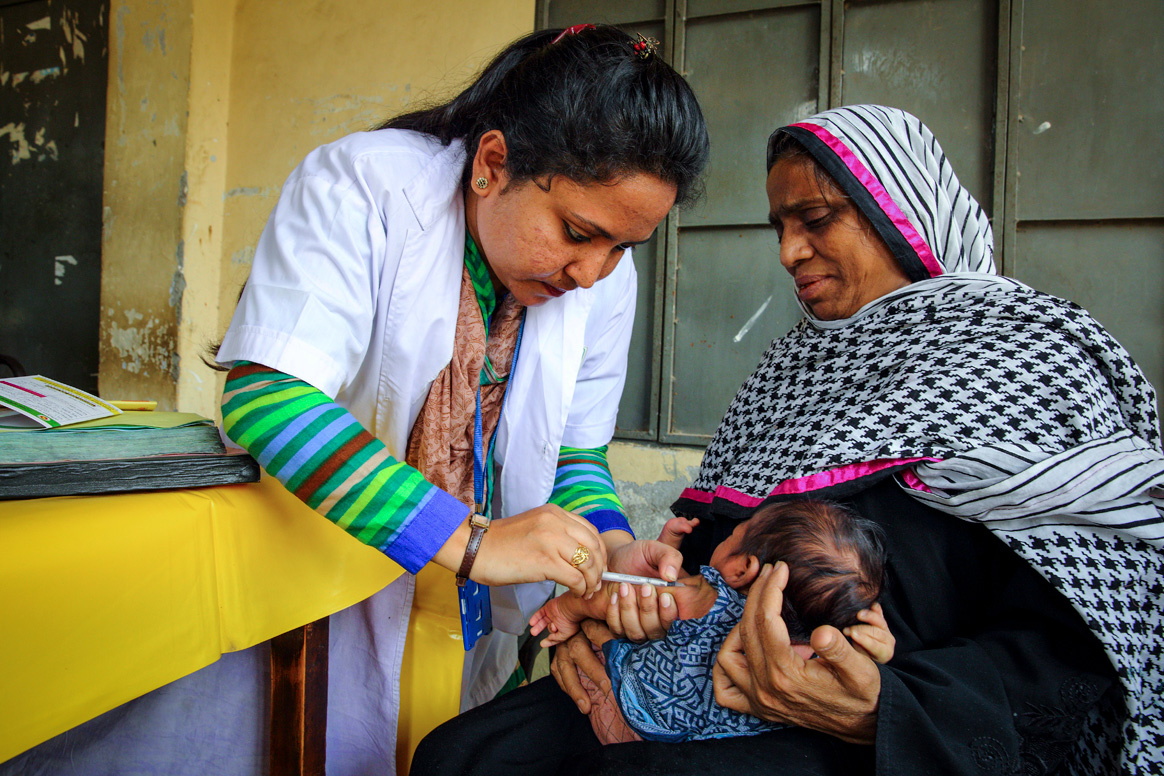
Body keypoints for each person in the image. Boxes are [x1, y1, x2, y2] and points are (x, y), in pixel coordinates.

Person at [0, 26, 704, 776]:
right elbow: (269, 397)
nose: (593, 272)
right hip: (315, 577)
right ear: (493, 165)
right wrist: (472, 540)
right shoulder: (367, 187)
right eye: (577, 232)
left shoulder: (602, 285)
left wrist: (612, 548)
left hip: (467, 618)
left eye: (623, 247)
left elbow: (574, 455)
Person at [410, 105, 1164, 776]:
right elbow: (706, 551)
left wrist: (882, 709)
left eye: (816, 219)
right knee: (458, 755)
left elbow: (1078, 639)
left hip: (885, 730)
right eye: (780, 226)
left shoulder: (1032, 358)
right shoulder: (793, 369)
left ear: (901, 212)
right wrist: (618, 608)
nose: (788, 253)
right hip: (690, 666)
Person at [529, 500, 894, 744]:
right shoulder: (806, 654)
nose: (730, 533)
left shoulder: (709, 594)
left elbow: (636, 593)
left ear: (741, 568)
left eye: (738, 532)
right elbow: (683, 609)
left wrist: (567, 609)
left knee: (610, 631)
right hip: (695, 739)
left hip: (628, 714)